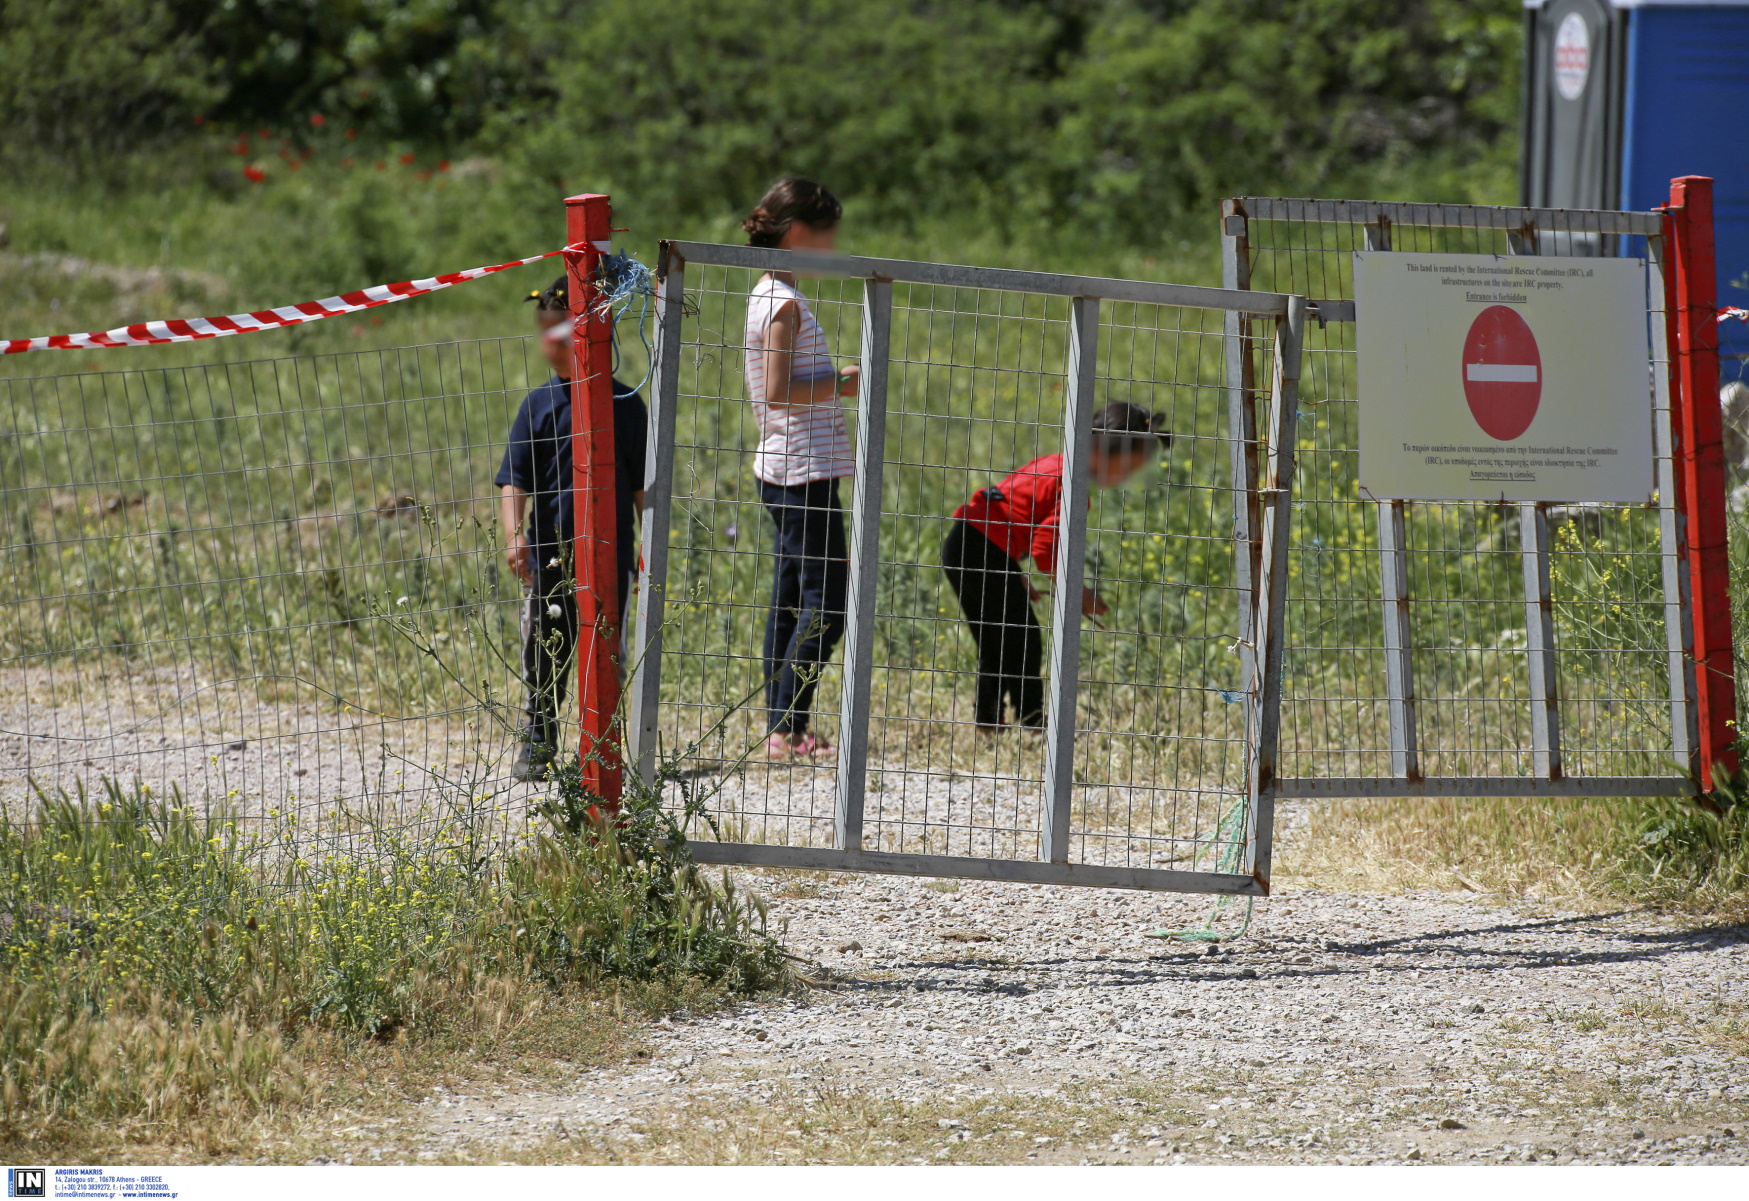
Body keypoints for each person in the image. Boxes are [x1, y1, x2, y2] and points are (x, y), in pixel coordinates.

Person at [496, 276, 648, 782]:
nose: (547, 342)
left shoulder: (626, 407)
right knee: (546, 644)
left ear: (592, 334)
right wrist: (515, 535)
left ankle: (602, 746)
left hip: (611, 555)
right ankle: (539, 739)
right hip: (550, 555)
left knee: (607, 650)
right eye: (543, 330)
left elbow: (642, 490)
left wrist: (649, 550)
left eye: (558, 330)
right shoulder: (537, 406)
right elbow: (514, 479)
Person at [942, 402, 1170, 733]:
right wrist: (1079, 593)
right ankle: (1032, 721)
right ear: (1107, 452)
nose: (1127, 478)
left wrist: (1012, 572)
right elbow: (1046, 550)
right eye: (1128, 469)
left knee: (997, 638)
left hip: (968, 543)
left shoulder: (1054, 464)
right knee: (1022, 640)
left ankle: (990, 720)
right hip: (982, 549)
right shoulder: (1071, 485)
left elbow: (1010, 512)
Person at [742, 177, 861, 762]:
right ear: (796, 234)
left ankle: (782, 728)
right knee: (827, 604)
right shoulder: (781, 302)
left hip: (790, 468)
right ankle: (789, 726)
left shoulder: (769, 292)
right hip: (800, 471)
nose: (833, 248)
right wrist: (844, 382)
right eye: (826, 235)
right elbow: (780, 388)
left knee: (791, 599)